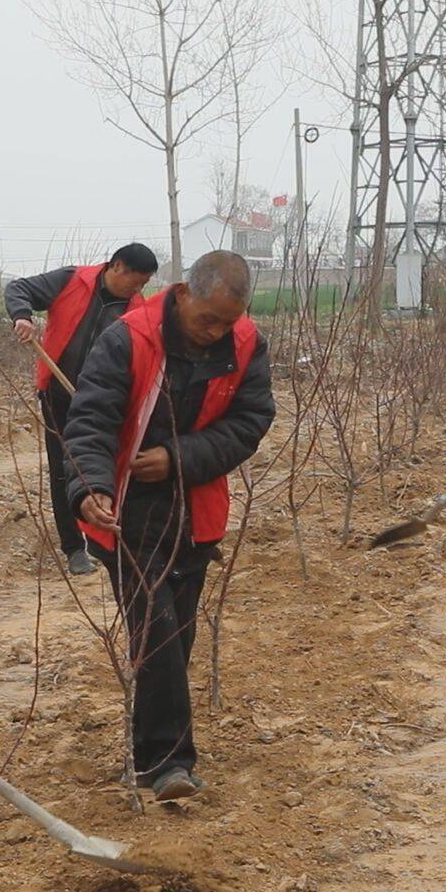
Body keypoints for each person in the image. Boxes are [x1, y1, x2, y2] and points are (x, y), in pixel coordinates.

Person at [63, 249, 274, 801]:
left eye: (228, 321)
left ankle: (154, 739)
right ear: (182, 294)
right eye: (208, 319)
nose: (216, 332)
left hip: (196, 509)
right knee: (154, 632)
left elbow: (251, 421)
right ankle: (165, 763)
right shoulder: (127, 338)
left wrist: (180, 456)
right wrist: (89, 486)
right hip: (128, 512)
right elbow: (90, 417)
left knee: (176, 634)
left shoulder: (247, 344)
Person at [4, 244, 158, 576]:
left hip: (103, 405)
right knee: (63, 470)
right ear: (117, 267)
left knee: (102, 466)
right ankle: (74, 548)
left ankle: (107, 537)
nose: (139, 289)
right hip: (58, 396)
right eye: (137, 281)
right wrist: (22, 316)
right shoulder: (72, 280)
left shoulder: (138, 311)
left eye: (145, 284)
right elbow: (19, 289)